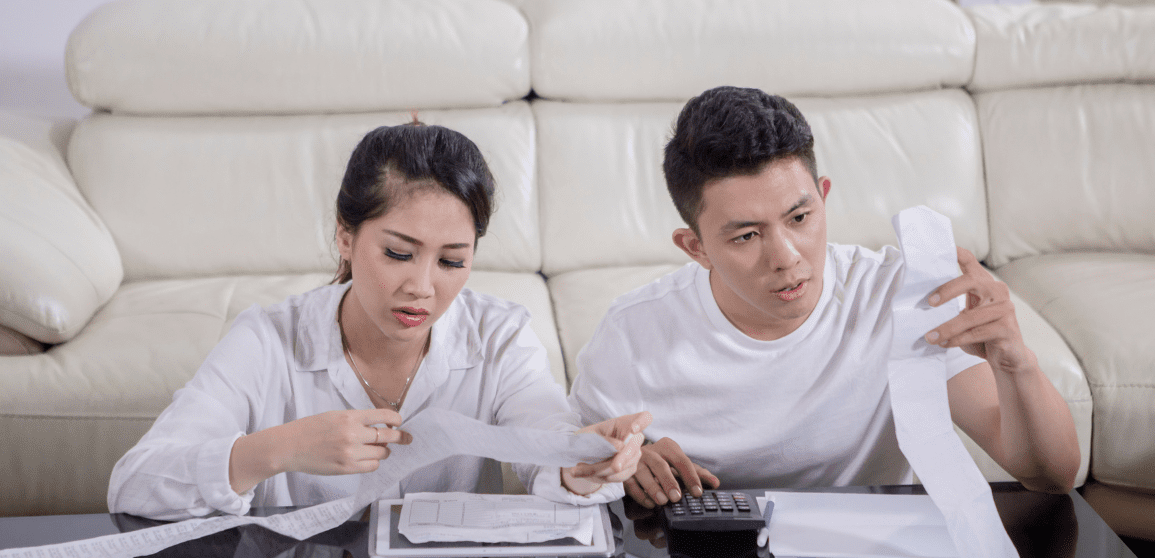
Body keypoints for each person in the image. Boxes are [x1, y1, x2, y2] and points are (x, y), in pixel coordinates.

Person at [569, 86, 1079, 509]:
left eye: (800, 218)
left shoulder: (900, 296)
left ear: (824, 197)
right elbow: (562, 469)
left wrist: (1017, 363)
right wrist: (621, 467)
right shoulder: (634, 332)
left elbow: (1049, 476)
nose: (787, 257)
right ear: (695, 247)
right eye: (746, 236)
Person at [109, 121, 647, 520]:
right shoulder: (268, 338)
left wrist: (581, 464)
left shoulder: (500, 336)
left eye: (453, 261)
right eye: (397, 253)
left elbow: (545, 439)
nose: (422, 286)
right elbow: (134, 485)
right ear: (345, 236)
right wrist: (281, 448)